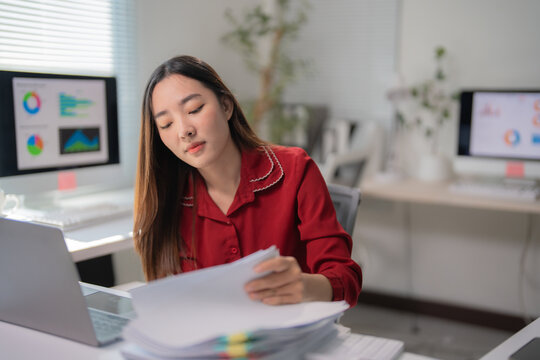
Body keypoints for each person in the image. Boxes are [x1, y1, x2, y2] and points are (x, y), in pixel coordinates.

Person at [134, 55, 362, 307]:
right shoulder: (167, 200)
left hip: (290, 334)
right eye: (166, 124)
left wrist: (304, 285)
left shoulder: (295, 169)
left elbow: (346, 281)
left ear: (226, 107)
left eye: (194, 109)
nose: (184, 130)